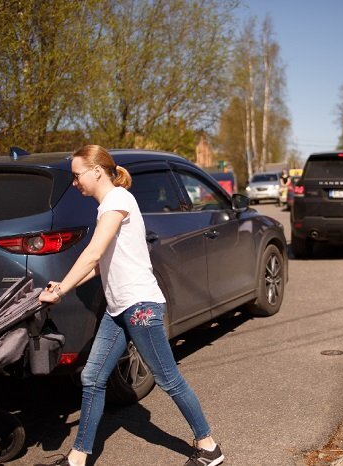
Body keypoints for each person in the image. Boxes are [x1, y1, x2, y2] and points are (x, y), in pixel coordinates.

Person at [35, 145, 223, 466]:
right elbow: (100, 264)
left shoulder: (118, 201)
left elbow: (93, 253)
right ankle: (79, 458)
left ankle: (208, 447)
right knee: (92, 377)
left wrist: (62, 289)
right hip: (119, 307)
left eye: (77, 175)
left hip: (140, 306)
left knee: (168, 379)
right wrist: (64, 286)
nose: (75, 182)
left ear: (96, 171)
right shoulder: (109, 205)